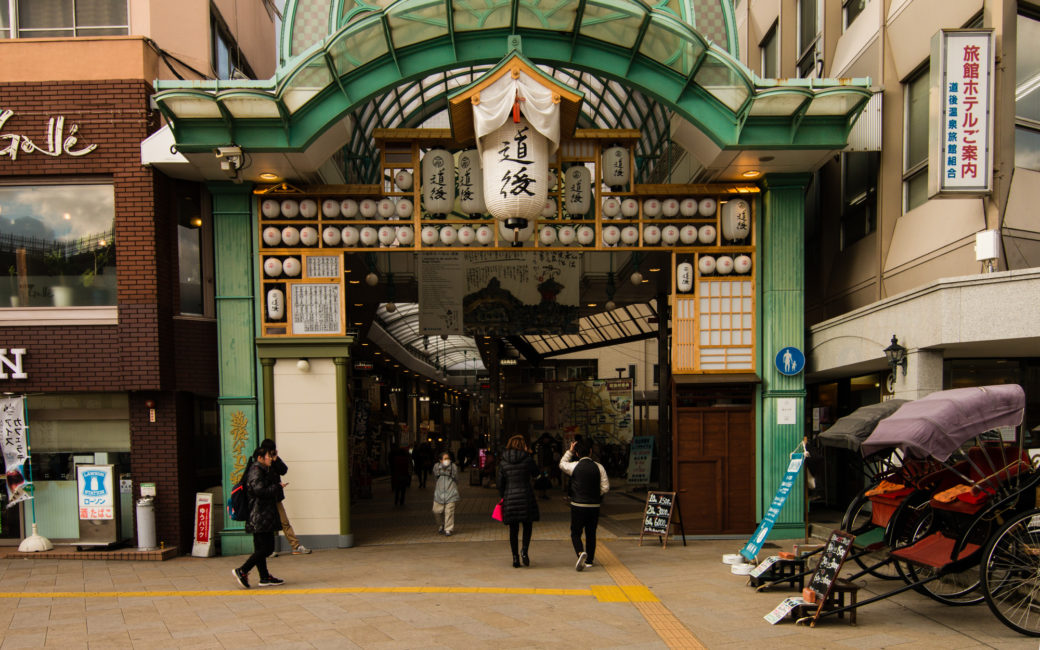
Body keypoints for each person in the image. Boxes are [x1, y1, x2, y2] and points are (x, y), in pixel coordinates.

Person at [232, 445, 286, 588]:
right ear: (260, 458)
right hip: (259, 516)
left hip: (262, 515)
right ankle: (242, 570)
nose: (270, 458)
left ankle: (264, 577)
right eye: (268, 456)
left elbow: (282, 470)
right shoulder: (256, 471)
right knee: (267, 549)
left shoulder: (262, 469)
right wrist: (277, 487)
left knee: (260, 548)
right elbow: (259, 490)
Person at [559, 438, 609, 571]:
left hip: (578, 505)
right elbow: (605, 487)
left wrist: (569, 451)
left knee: (575, 532)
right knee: (591, 533)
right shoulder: (599, 467)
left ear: (576, 454)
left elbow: (562, 464)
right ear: (591, 452)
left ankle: (581, 553)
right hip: (594, 506)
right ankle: (590, 560)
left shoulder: (574, 466)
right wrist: (595, 494)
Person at [256, 439, 311, 556]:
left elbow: (284, 470)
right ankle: (266, 550)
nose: (270, 456)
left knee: (284, 521)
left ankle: (295, 546)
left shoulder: (273, 460)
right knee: (266, 525)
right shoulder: (259, 462)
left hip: (275, 497)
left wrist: (276, 460)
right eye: (270, 452)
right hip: (265, 499)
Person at [497, 435, 540, 568]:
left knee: (513, 529)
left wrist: (504, 495)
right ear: (523, 446)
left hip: (510, 497)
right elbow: (536, 474)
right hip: (526, 496)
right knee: (527, 525)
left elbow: (500, 483)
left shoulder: (503, 461)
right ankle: (524, 551)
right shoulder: (527, 459)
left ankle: (515, 558)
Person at [432, 451, 460, 536]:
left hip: (451, 492)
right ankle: (441, 525)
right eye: (445, 459)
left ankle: (448, 529)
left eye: (448, 458)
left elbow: (457, 478)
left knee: (449, 512)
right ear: (440, 460)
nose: (447, 460)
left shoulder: (453, 466)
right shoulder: (436, 467)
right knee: (436, 511)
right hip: (439, 493)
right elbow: (435, 477)